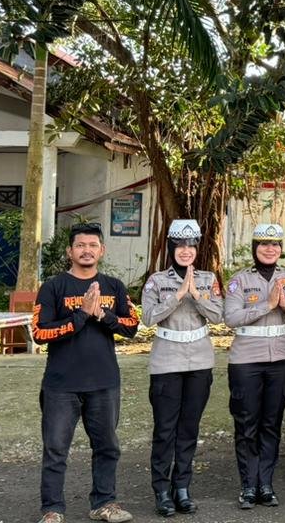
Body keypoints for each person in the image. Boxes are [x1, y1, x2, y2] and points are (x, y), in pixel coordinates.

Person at [31, 221, 141, 523]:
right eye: (80, 245)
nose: (86, 250)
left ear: (101, 250)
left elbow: (131, 327)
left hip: (104, 383)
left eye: (93, 245)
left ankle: (104, 503)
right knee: (55, 450)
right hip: (61, 385)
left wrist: (102, 314)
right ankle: (52, 509)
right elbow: (40, 332)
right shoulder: (53, 287)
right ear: (70, 251)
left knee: (107, 447)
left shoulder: (114, 287)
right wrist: (81, 314)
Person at [223, 223, 285, 509]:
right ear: (255, 248)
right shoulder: (240, 280)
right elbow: (231, 318)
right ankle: (248, 485)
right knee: (247, 423)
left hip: (280, 360)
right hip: (246, 361)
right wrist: (267, 305)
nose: (270, 249)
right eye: (264, 244)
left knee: (271, 423)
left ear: (281, 249)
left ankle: (266, 484)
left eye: (275, 244)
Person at [142, 219, 223, 517]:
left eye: (191, 245)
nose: (186, 250)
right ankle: (162, 490)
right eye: (179, 245)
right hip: (167, 361)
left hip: (199, 360)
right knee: (165, 429)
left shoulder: (208, 279)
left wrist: (196, 295)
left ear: (197, 248)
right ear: (171, 247)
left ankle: (182, 488)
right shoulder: (156, 280)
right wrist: (178, 296)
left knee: (189, 428)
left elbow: (218, 316)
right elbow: (148, 318)